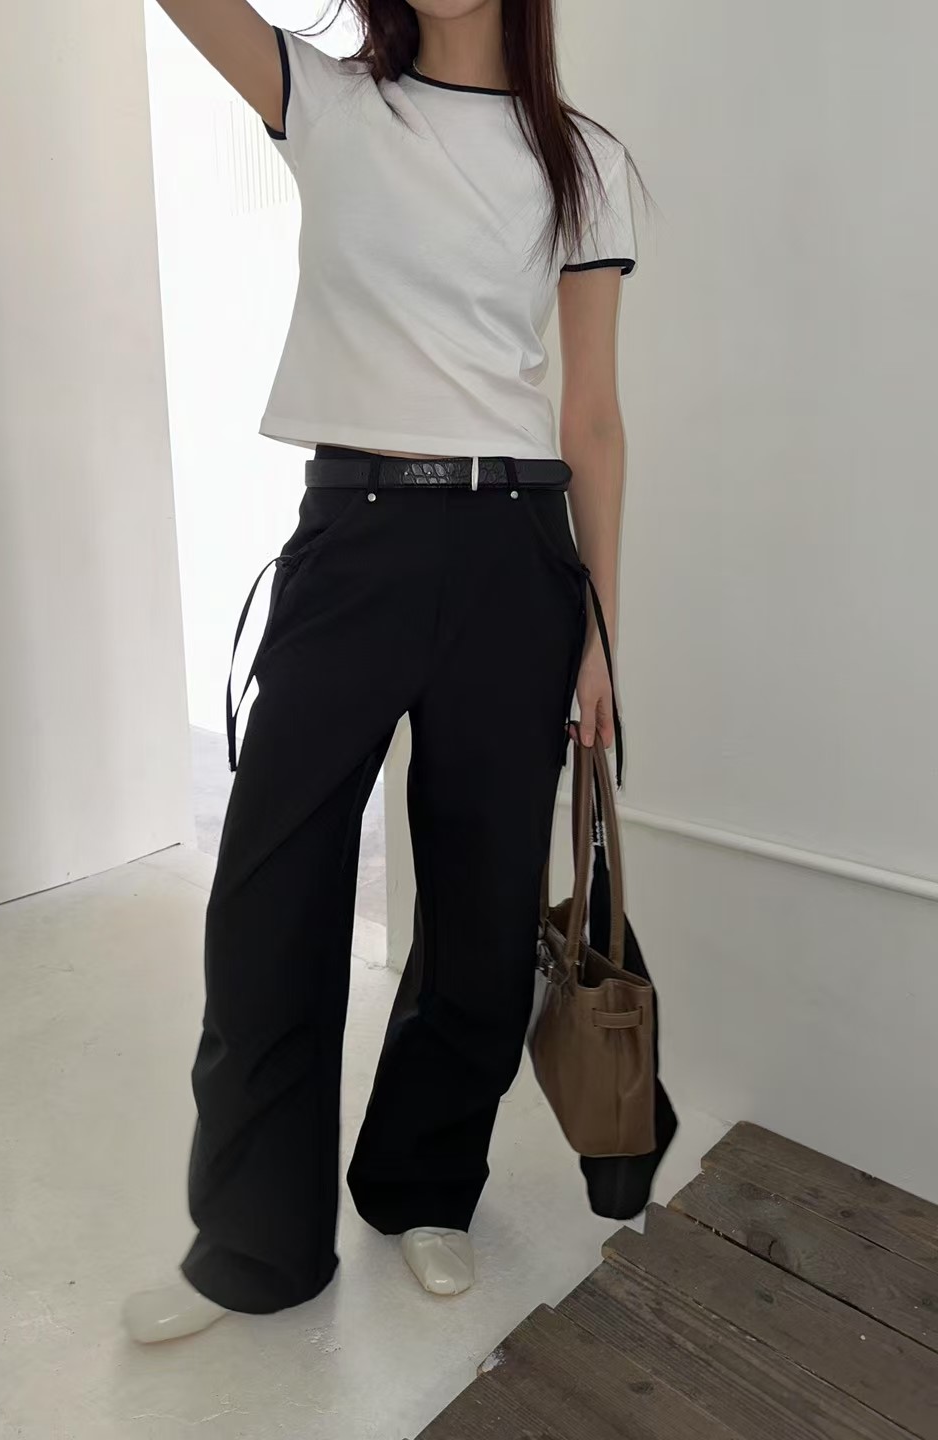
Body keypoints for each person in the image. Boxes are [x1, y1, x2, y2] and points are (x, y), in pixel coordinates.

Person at [125, 0, 640, 1342]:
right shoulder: (330, 100)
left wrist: (601, 629)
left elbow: (591, 414)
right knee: (268, 899)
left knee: (482, 914)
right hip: (352, 540)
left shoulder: (583, 158)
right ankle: (253, 1248)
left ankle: (423, 1186)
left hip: (518, 554)